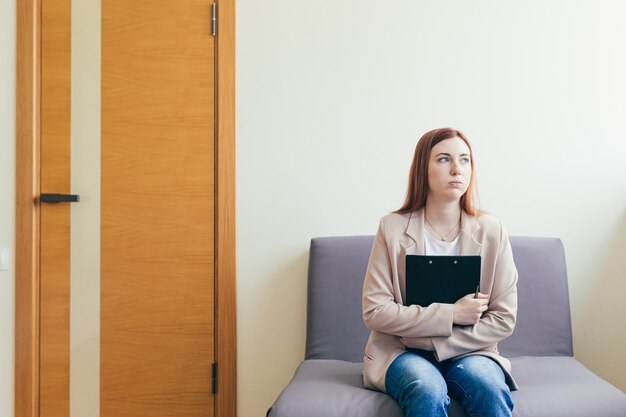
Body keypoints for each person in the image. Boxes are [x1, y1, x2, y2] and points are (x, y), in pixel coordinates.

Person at [361, 128, 518, 417]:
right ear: (424, 168)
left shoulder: (493, 231)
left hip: (472, 352)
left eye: (465, 160)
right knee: (427, 388)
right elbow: (376, 311)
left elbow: (503, 319)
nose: (457, 169)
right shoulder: (392, 228)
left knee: (489, 388)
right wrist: (451, 315)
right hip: (401, 352)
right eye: (444, 159)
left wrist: (433, 341)